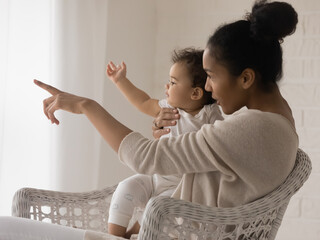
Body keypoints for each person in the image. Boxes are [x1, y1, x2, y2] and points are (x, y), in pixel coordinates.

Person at [0, 1, 299, 239]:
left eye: (210, 77)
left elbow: (145, 158)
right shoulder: (277, 126)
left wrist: (87, 105)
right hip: (159, 228)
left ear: (246, 78)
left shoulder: (251, 129)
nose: (207, 88)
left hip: (165, 230)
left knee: (6, 228)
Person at [105, 48, 223, 238]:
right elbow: (142, 102)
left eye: (173, 82)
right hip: (153, 177)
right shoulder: (169, 109)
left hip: (180, 190)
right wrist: (120, 80)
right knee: (125, 187)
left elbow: (224, 139)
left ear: (195, 93)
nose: (167, 86)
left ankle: (131, 234)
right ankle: (113, 237)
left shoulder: (208, 115)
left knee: (156, 211)